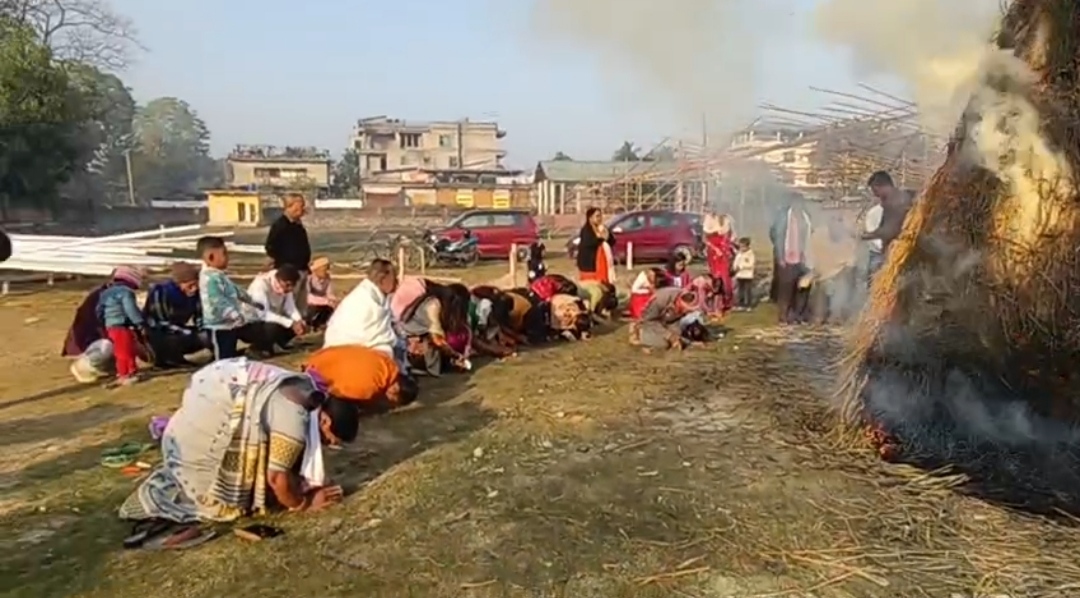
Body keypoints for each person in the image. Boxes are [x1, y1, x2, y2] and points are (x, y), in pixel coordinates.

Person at [118, 358, 358, 525]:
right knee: (227, 506)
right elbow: (276, 478)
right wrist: (304, 504)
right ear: (324, 421)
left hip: (201, 405)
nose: (326, 446)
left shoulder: (306, 388)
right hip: (196, 444)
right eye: (329, 440)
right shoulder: (293, 417)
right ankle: (152, 500)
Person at [323, 259, 402, 363]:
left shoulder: (375, 295)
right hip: (346, 347)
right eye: (394, 278)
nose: (397, 282)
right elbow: (374, 335)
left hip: (349, 347)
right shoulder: (365, 298)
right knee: (387, 350)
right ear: (383, 279)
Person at [197, 235, 261, 360]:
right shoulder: (209, 279)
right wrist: (234, 314)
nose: (228, 258)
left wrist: (251, 301)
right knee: (222, 358)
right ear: (211, 257)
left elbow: (235, 290)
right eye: (224, 254)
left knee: (230, 354)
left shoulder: (219, 275)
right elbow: (218, 301)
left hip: (229, 324)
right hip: (218, 326)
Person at [304, 345, 418, 413]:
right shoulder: (370, 388)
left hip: (323, 355)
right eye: (393, 401)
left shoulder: (386, 361)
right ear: (395, 389)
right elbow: (337, 393)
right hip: (314, 372)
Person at [398, 282, 471, 375]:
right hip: (409, 343)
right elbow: (437, 340)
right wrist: (456, 355)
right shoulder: (433, 306)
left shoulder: (434, 303)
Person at [144, 262, 205, 368]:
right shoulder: (161, 291)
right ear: (179, 283)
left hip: (179, 329)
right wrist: (186, 332)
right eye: (190, 285)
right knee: (169, 337)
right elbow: (160, 321)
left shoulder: (196, 294)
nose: (194, 289)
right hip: (156, 332)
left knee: (205, 336)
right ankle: (166, 359)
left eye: (196, 284)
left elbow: (199, 316)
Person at [96, 266, 149, 385]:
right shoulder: (126, 292)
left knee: (121, 349)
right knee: (126, 350)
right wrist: (139, 322)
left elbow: (99, 310)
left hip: (110, 326)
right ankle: (126, 374)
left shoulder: (106, 293)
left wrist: (104, 322)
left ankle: (129, 371)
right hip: (121, 324)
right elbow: (131, 309)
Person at [243, 264, 307, 355]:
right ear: (279, 279)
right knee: (273, 327)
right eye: (288, 285)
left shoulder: (285, 287)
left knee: (298, 324)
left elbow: (290, 307)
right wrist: (291, 323)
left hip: (273, 318)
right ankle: (258, 348)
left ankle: (277, 344)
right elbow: (263, 314)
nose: (290, 288)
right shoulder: (261, 284)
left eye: (292, 285)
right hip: (251, 323)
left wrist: (299, 321)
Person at [769, 195, 813, 324]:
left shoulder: (806, 218)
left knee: (801, 288)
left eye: (800, 203)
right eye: (796, 203)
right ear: (792, 203)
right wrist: (780, 256)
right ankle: (783, 315)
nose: (798, 206)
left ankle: (797, 315)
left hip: (802, 257)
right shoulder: (783, 217)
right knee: (785, 289)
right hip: (786, 257)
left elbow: (810, 235)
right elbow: (775, 234)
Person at [264, 193, 312, 309]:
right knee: (289, 303)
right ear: (291, 207)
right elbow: (270, 247)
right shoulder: (280, 226)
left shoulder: (298, 225)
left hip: (302, 269)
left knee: (301, 303)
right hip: (289, 272)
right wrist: (283, 266)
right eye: (300, 206)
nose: (302, 209)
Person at [634, 287, 697, 351]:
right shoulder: (660, 299)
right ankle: (639, 335)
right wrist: (669, 335)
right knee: (663, 344)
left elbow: (674, 321)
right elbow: (649, 320)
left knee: (680, 340)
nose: (686, 312)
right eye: (685, 309)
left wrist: (677, 337)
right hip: (647, 323)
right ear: (679, 302)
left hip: (665, 322)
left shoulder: (685, 302)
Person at [703, 211, 735, 313]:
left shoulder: (727, 219)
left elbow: (731, 237)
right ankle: (715, 303)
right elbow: (705, 239)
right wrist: (714, 248)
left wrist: (728, 248)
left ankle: (727, 301)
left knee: (725, 277)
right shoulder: (709, 219)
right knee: (715, 277)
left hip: (724, 251)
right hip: (713, 252)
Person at [576, 207, 616, 284]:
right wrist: (601, 238)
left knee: (604, 282)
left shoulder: (603, 228)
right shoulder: (586, 230)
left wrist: (606, 234)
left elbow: (612, 241)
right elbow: (590, 243)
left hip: (603, 261)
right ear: (590, 218)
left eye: (600, 216)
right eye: (597, 216)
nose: (599, 218)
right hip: (590, 263)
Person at [304, 256, 337, 330]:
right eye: (325, 269)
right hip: (310, 305)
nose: (327, 271)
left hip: (322, 303)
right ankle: (309, 324)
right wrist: (325, 301)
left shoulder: (327, 279)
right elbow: (307, 297)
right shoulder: (309, 278)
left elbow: (329, 293)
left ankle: (321, 324)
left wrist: (334, 301)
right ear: (317, 270)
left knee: (330, 309)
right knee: (313, 309)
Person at [733, 238, 756, 310]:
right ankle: (741, 304)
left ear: (747, 246)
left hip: (748, 276)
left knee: (747, 291)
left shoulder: (750, 254)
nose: (741, 248)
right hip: (740, 275)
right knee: (740, 291)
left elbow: (751, 264)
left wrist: (741, 267)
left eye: (743, 247)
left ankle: (748, 305)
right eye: (740, 247)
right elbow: (736, 261)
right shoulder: (739, 254)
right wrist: (735, 267)